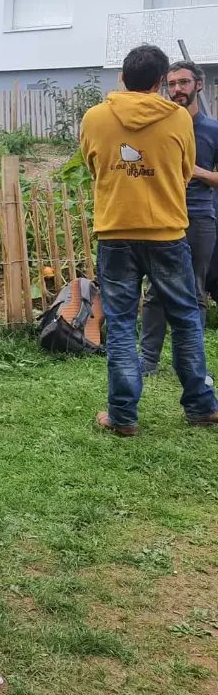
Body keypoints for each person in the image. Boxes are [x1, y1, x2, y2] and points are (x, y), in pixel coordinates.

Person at [80, 44, 218, 436]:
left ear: (122, 78)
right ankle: (201, 406)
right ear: (160, 82)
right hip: (167, 233)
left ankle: (123, 416)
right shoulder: (178, 118)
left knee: (122, 324)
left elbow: (94, 165)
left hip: (116, 233)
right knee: (186, 318)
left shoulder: (95, 117)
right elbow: (185, 169)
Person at [140, 61, 218, 378]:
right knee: (155, 290)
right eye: (171, 84)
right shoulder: (160, 125)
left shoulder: (212, 130)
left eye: (183, 82)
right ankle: (147, 361)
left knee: (195, 291)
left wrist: (196, 171)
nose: (177, 90)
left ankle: (189, 363)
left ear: (198, 85)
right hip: (162, 216)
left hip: (199, 216)